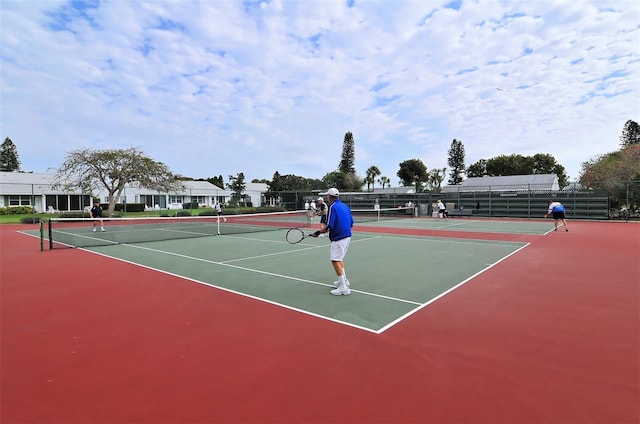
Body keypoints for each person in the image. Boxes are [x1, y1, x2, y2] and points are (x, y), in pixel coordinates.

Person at [311, 188, 354, 296]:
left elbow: (329, 225)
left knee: (335, 260)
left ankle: (344, 288)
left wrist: (318, 232)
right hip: (347, 236)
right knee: (339, 259)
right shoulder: (345, 206)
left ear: (329, 197)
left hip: (339, 238)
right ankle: (343, 280)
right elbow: (351, 223)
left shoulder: (333, 207)